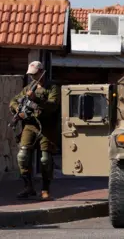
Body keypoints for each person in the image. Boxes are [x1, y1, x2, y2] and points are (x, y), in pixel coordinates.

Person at [9, 61, 60, 200]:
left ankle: (45, 189)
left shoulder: (52, 87)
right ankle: (28, 186)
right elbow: (13, 101)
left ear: (42, 72)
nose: (33, 77)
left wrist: (36, 100)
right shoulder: (29, 88)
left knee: (45, 159)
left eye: (35, 74)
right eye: (31, 75)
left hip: (47, 127)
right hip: (30, 126)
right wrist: (18, 110)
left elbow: (53, 105)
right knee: (23, 156)